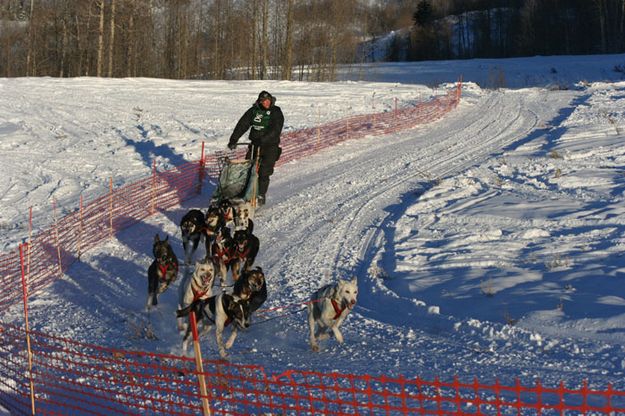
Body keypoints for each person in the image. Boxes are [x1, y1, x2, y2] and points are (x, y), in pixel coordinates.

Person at [227, 91, 284, 206]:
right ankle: (245, 193)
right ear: (259, 101)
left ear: (271, 100)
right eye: (263, 101)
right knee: (248, 168)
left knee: (264, 171)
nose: (266, 103)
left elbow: (276, 129)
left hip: (270, 146)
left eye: (268, 101)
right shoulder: (253, 111)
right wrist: (233, 139)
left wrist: (263, 140)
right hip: (255, 144)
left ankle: (260, 195)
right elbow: (242, 125)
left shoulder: (276, 111)